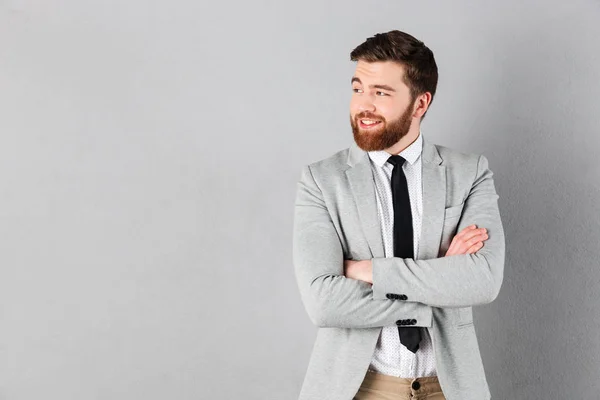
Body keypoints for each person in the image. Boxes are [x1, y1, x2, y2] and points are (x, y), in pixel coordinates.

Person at [292, 30, 505, 400]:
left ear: (420, 104)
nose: (364, 105)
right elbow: (324, 303)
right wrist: (440, 278)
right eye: (358, 89)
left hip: (450, 389)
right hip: (358, 388)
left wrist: (367, 270)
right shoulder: (321, 181)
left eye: (381, 93)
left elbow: (482, 281)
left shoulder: (469, 173)